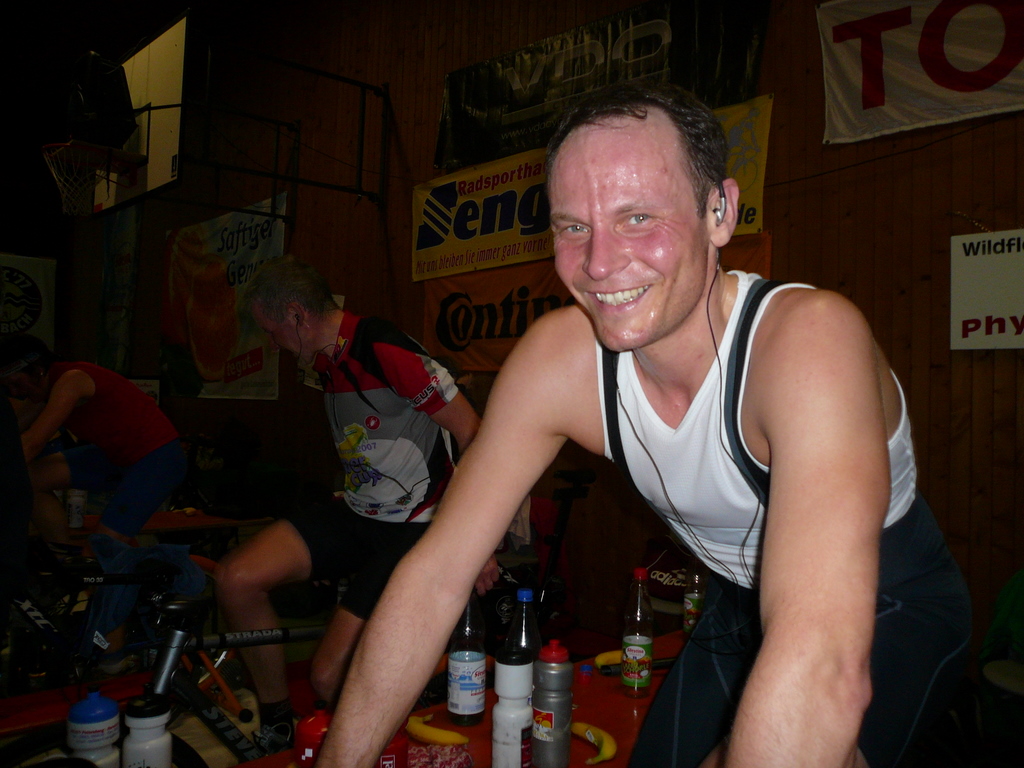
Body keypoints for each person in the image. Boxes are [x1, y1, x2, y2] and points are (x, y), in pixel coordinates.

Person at [318, 82, 971, 768]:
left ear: (720, 213)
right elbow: (434, 578)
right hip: (739, 602)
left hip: (888, 606)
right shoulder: (558, 363)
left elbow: (820, 659)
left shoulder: (807, 344)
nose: (599, 264)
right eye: (573, 227)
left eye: (637, 217)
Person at [215, 256, 484, 749]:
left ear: (297, 315)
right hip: (360, 510)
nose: (272, 345)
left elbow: (472, 433)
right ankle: (278, 723)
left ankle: (450, 682)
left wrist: (477, 540)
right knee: (237, 578)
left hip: (414, 524)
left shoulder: (381, 347)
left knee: (329, 677)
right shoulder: (323, 359)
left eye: (272, 332)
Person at [0, 335, 186, 550]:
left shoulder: (73, 380)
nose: (15, 393)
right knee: (30, 478)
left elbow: (32, 443)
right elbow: (9, 436)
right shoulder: (43, 391)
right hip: (116, 457)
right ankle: (64, 557)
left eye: (16, 383)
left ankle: (92, 567)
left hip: (158, 459)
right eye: (8, 388)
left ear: (38, 370)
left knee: (103, 548)